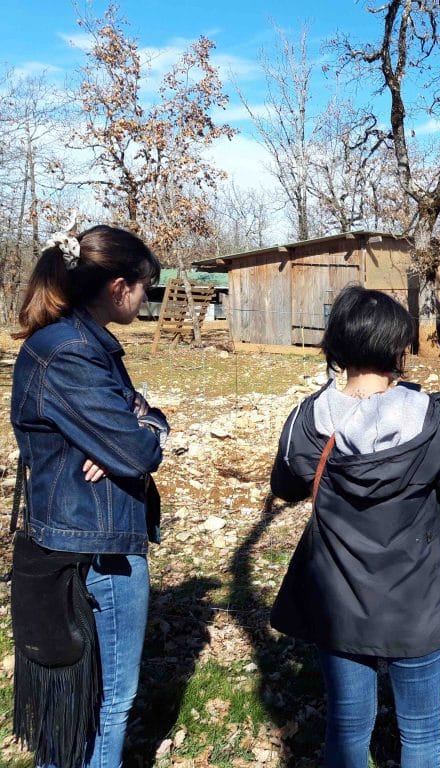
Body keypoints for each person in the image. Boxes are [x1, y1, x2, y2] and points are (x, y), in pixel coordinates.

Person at [270, 285, 440, 768]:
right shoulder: (430, 420)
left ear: (337, 345)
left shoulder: (306, 420)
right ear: (397, 348)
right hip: (419, 603)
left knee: (345, 729)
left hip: (338, 601)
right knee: (424, 735)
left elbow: (286, 486)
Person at [10, 223, 169, 768]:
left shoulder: (82, 343)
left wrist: (141, 428)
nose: (147, 299)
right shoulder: (70, 352)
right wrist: (138, 432)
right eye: (145, 286)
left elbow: (144, 420)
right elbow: (139, 448)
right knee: (99, 705)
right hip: (91, 553)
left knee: (77, 704)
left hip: (82, 539)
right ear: (118, 285)